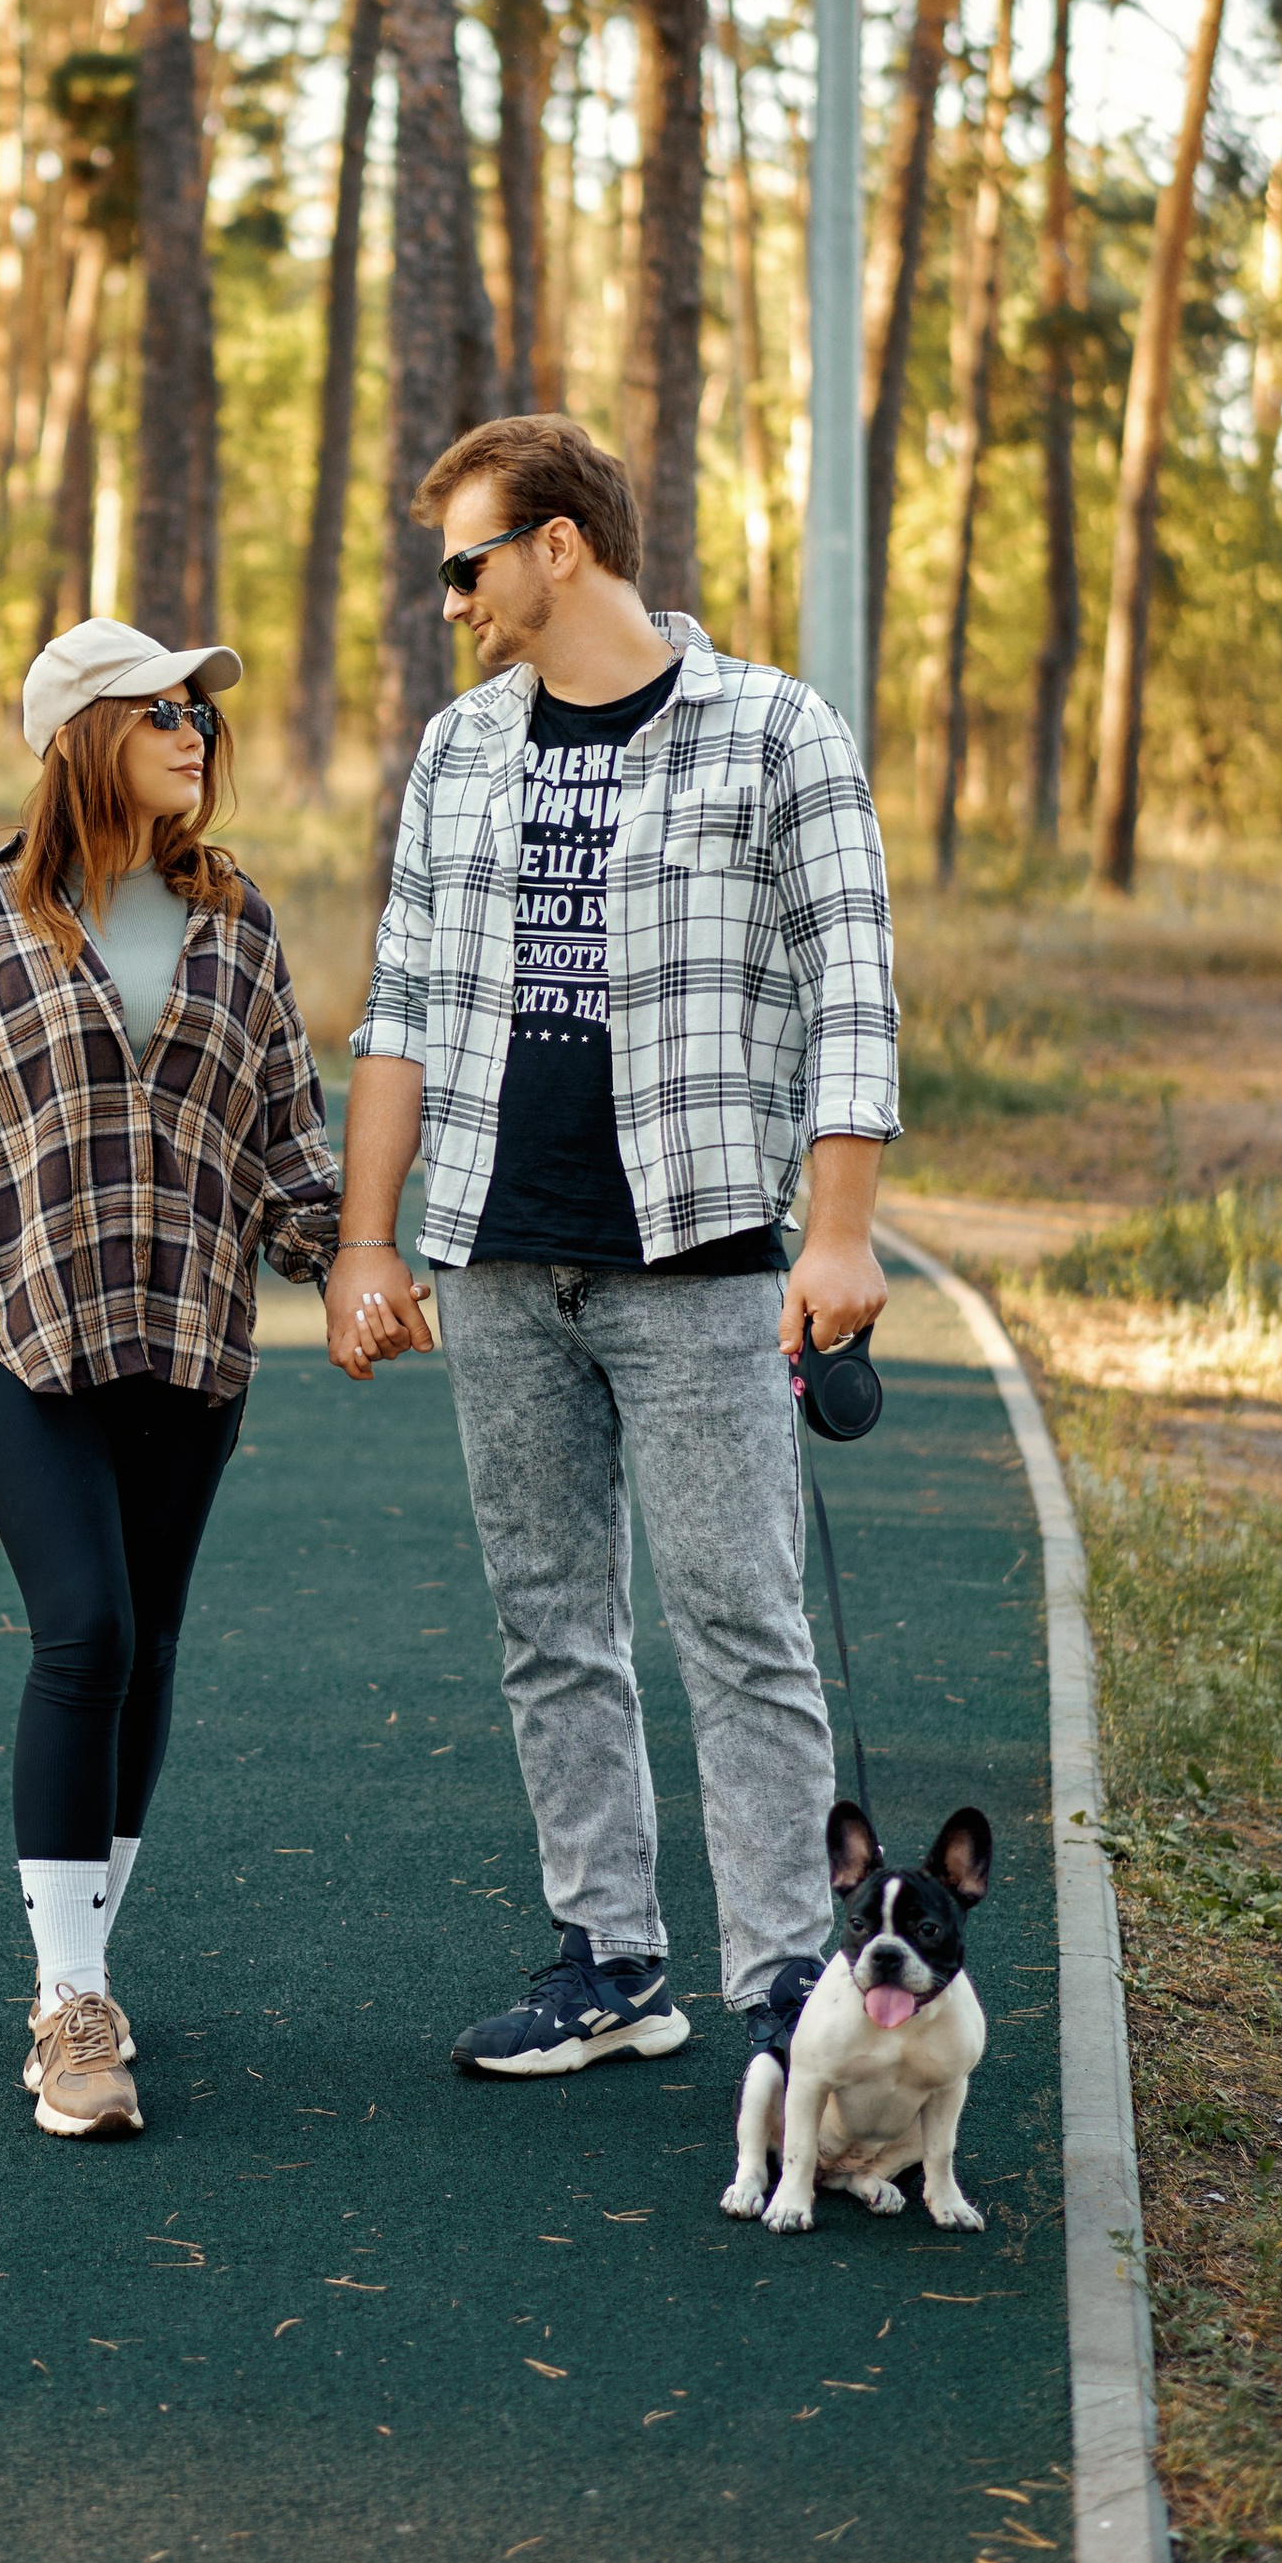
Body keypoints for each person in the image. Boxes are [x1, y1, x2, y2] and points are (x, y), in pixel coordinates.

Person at [325, 416, 900, 2088]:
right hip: (498, 1255)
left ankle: (786, 1982)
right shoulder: (460, 749)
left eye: (468, 566)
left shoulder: (776, 730)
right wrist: (368, 1241)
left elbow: (853, 988)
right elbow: (402, 1003)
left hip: (700, 1255)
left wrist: (840, 1230)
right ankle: (610, 1962)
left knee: (741, 1624)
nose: (453, 602)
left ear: (559, 546)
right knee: (550, 1622)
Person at [0, 618, 342, 2142]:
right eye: (162, 712)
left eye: (201, 712)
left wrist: (358, 1259)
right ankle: (67, 2002)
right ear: (85, 735)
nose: (195, 733)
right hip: (29, 1333)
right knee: (85, 1631)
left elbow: (289, 1137)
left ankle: (88, 1962)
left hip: (192, 1340)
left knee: (151, 1647)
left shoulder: (236, 917)